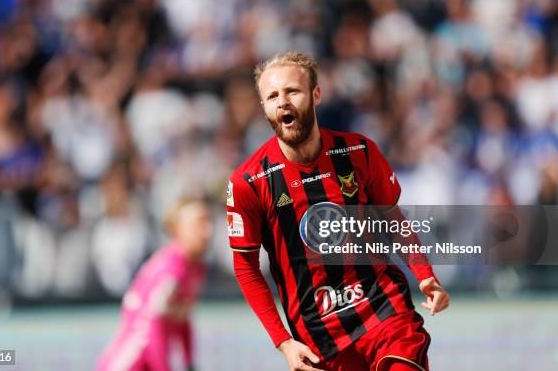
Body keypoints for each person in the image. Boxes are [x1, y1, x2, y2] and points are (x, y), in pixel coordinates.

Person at [226, 52, 450, 371]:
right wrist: (283, 342)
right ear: (264, 108)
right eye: (272, 96)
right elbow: (246, 267)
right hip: (320, 337)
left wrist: (425, 275)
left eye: (292, 91)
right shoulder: (249, 181)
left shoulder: (359, 151)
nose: (283, 102)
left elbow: (393, 219)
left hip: (383, 310)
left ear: (316, 94)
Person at [97, 198, 212, 371]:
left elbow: (182, 319)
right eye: (199, 223)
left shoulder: (196, 268)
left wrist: (189, 363)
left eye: (208, 221)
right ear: (176, 230)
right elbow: (151, 326)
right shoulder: (172, 268)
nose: (207, 231)